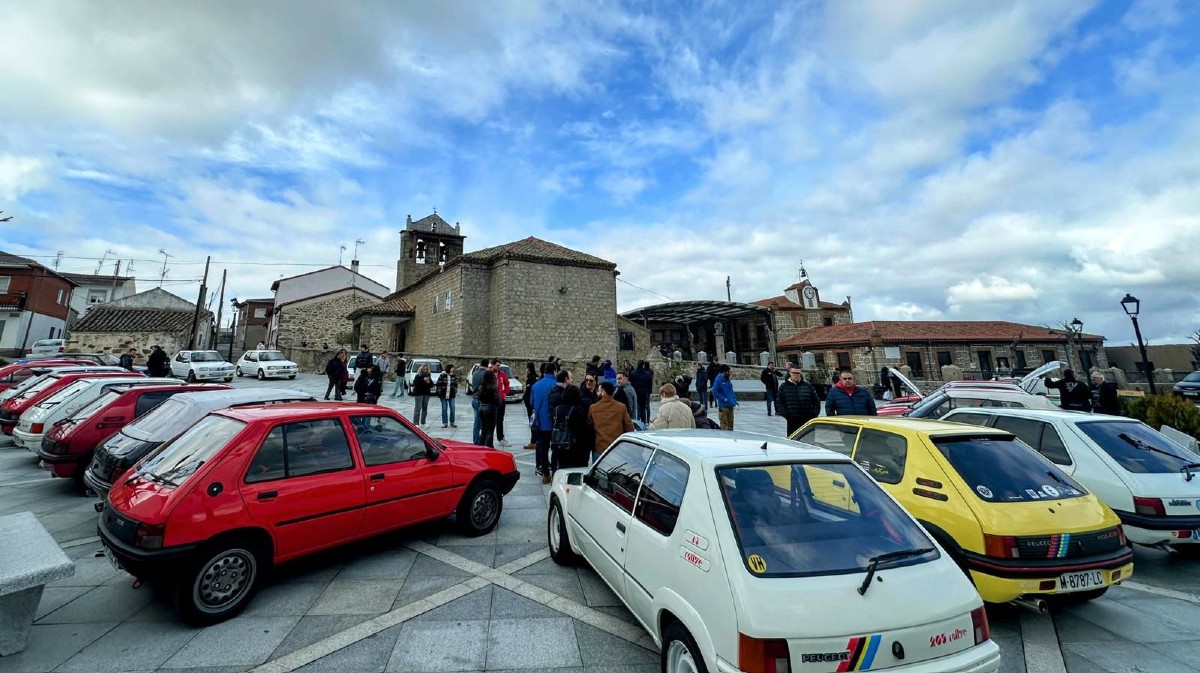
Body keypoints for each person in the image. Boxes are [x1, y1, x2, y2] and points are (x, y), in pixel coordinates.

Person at [588, 381, 634, 463]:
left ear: (603, 391)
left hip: (599, 449)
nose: (597, 393)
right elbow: (629, 428)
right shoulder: (621, 407)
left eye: (599, 390)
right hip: (617, 449)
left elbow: (589, 427)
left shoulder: (593, 408)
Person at [552, 384, 591, 470]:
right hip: (577, 447)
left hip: (561, 444)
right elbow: (584, 431)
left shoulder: (557, 409)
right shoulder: (579, 410)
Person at [531, 362, 558, 482]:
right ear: (554, 372)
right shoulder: (556, 385)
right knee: (556, 448)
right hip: (554, 422)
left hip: (540, 422)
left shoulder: (535, 385)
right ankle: (555, 473)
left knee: (543, 448)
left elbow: (531, 402)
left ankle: (545, 474)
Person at [777, 367, 821, 435]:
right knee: (793, 442)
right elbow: (779, 402)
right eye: (794, 373)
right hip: (792, 421)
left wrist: (813, 414)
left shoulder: (807, 386)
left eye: (798, 373)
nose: (796, 375)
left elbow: (816, 401)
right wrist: (786, 414)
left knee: (808, 440)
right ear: (790, 373)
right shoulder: (783, 386)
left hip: (807, 420)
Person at [476, 370, 500, 448]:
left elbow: (478, 397)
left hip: (482, 407)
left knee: (483, 429)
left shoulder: (481, 386)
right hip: (490, 408)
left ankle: (481, 445)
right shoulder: (493, 387)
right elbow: (497, 399)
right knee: (490, 430)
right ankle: (489, 446)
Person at [712, 364, 738, 430]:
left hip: (730, 405)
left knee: (731, 422)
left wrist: (734, 400)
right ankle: (724, 437)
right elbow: (714, 391)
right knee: (724, 423)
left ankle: (730, 436)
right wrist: (723, 398)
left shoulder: (727, 380)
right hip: (723, 406)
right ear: (724, 372)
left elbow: (730, 391)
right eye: (728, 371)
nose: (729, 373)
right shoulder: (718, 380)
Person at [492, 359, 511, 447]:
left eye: (499, 365)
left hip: (500, 400)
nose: (499, 367)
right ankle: (489, 438)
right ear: (492, 365)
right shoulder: (488, 374)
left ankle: (500, 437)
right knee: (490, 420)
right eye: (497, 365)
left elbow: (507, 384)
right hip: (491, 400)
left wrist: (504, 393)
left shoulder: (502, 374)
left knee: (500, 420)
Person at [469, 358, 489, 445]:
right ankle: (481, 441)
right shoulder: (487, 374)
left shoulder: (475, 373)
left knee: (477, 422)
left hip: (474, 399)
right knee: (485, 423)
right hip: (482, 400)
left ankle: (476, 440)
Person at [522, 361, 538, 450]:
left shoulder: (531, 378)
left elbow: (529, 392)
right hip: (534, 404)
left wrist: (525, 400)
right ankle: (535, 440)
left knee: (532, 423)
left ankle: (533, 442)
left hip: (530, 405)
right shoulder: (536, 377)